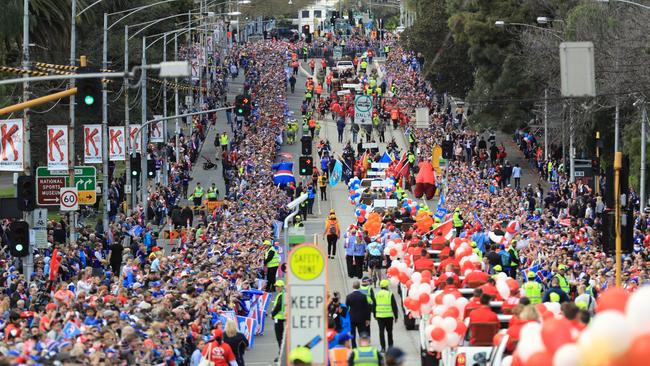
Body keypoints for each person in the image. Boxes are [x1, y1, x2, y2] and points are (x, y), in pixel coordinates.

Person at [345, 281, 372, 348]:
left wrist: (347, 318)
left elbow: (346, 308)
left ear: (352, 287)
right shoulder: (363, 296)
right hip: (361, 318)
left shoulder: (349, 296)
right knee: (362, 333)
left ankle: (354, 348)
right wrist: (368, 319)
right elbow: (366, 308)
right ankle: (362, 347)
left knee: (353, 334)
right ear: (359, 287)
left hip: (352, 318)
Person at [374, 279, 399, 352]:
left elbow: (374, 305)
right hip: (388, 316)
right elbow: (394, 306)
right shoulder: (390, 294)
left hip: (380, 316)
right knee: (389, 332)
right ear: (386, 286)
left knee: (381, 332)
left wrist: (375, 315)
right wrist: (396, 316)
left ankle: (383, 348)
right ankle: (390, 347)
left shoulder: (377, 294)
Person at [271, 280, 286, 351]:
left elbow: (278, 306)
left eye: (277, 286)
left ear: (281, 287)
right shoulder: (282, 294)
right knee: (280, 337)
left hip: (278, 318)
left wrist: (272, 314)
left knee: (279, 337)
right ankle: (281, 351)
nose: (276, 288)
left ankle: (281, 352)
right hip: (280, 318)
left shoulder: (281, 295)